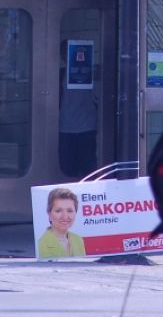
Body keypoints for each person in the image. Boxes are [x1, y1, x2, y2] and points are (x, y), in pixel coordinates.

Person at [58, 40, 98, 179]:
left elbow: (98, 97)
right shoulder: (60, 75)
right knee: (68, 168)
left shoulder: (90, 74)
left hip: (84, 127)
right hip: (67, 127)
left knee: (87, 168)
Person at [36, 187, 87, 258]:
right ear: (49, 214)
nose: (65, 216)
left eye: (69, 211)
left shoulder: (78, 240)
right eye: (58, 211)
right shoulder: (40, 244)